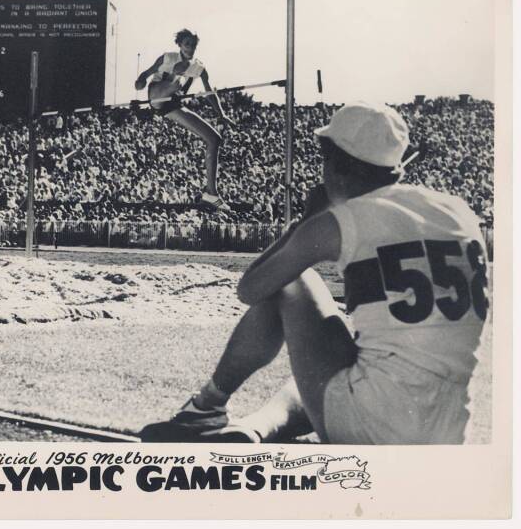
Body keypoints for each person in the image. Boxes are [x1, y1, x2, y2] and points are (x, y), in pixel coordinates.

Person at [140, 102, 489, 444]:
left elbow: (250, 288)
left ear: (334, 163)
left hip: (371, 430)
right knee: (355, 363)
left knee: (291, 279)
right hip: (449, 433)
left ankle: (206, 407)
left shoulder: (339, 223)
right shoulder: (458, 211)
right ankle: (257, 426)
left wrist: (307, 221)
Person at [135, 29, 233, 212]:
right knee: (179, 76)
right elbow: (145, 75)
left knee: (214, 138)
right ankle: (175, 88)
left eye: (193, 45)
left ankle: (211, 193)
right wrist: (139, 82)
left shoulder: (199, 67)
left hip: (173, 106)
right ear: (179, 44)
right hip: (158, 95)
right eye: (187, 44)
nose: (191, 48)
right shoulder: (167, 58)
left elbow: (209, 92)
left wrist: (221, 114)